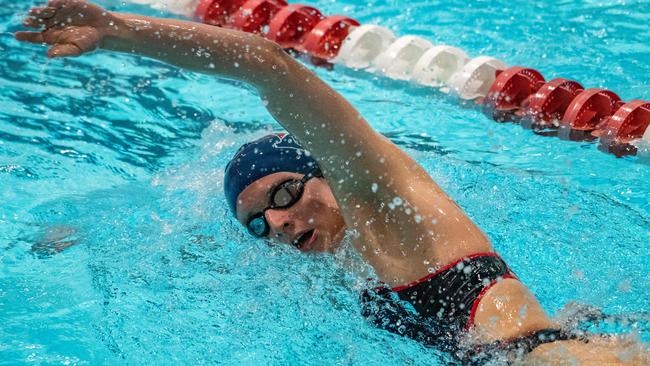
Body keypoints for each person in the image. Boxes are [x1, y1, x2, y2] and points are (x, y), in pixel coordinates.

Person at [16, 1, 648, 364]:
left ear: (325, 167)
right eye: (261, 224)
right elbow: (184, 253)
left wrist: (121, 30)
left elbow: (265, 63)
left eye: (283, 194)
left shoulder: (376, 192)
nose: (281, 224)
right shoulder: (338, 263)